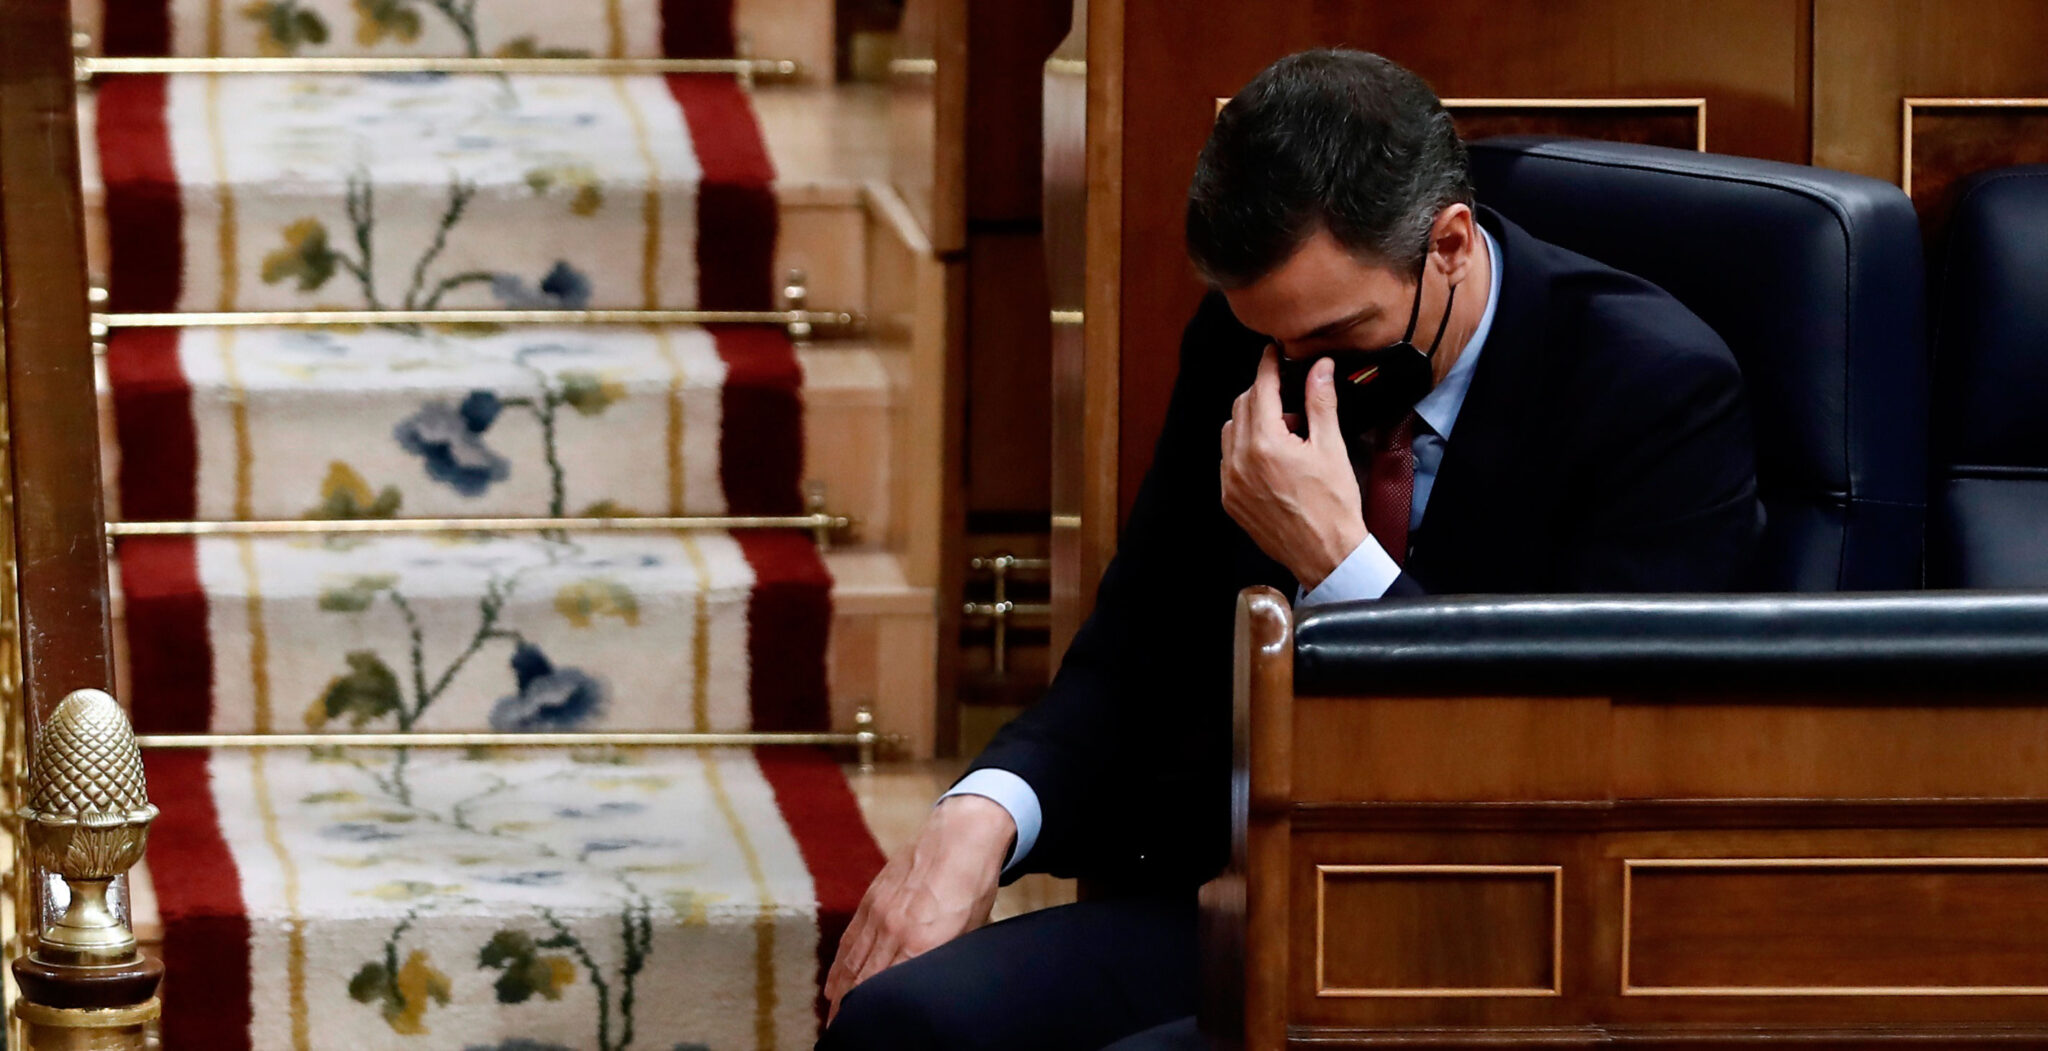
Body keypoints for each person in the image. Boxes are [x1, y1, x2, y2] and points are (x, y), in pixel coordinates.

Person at [819, 48, 1764, 1050]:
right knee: (900, 1024)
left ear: (1448, 245)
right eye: (1277, 343)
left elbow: (1600, 765)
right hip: (1245, 903)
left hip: (1506, 936)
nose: (1307, 374)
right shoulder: (1257, 340)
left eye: (1341, 339)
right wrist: (984, 814)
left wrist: (1341, 568)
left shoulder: (1658, 390)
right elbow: (1138, 648)